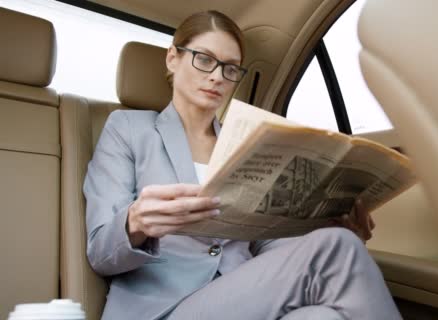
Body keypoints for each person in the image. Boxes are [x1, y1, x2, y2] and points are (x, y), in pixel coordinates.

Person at [84, 10, 402, 320]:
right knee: (337, 247)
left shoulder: (249, 146)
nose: (217, 76)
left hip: (247, 299)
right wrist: (136, 221)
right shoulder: (127, 128)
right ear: (172, 58)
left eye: (230, 68)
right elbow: (100, 251)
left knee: (321, 313)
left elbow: (266, 242)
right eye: (204, 59)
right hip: (165, 308)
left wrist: (325, 228)